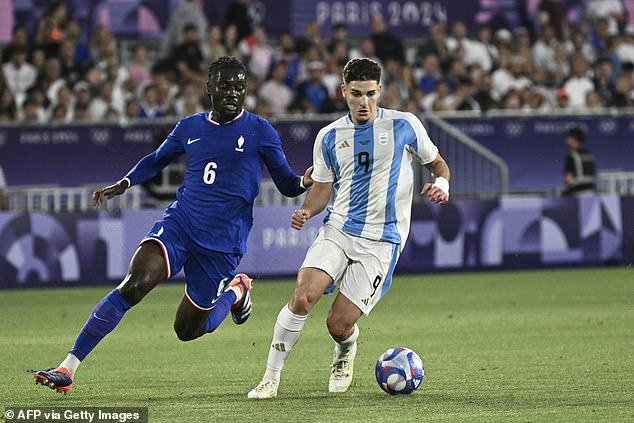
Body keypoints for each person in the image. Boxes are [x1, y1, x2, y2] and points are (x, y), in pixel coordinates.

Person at [33, 56, 314, 394]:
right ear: (209, 87)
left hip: (222, 245)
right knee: (134, 284)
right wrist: (124, 183)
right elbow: (156, 160)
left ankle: (237, 290)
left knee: (188, 329)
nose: (232, 92)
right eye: (225, 85)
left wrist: (304, 181)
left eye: (239, 86)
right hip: (180, 224)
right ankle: (69, 367)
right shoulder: (190, 127)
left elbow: (285, 183)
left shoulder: (260, 131)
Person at [248, 58, 450, 399]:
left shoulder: (405, 125)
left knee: (338, 324)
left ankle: (345, 351)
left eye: (370, 94)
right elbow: (322, 189)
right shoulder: (328, 136)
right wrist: (306, 211)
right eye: (356, 94)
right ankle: (270, 378)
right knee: (302, 296)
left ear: (380, 91)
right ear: (344, 92)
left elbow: (437, 163)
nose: (364, 102)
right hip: (339, 229)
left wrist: (442, 184)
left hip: (382, 241)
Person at [562, 126, 596, 196]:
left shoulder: (572, 156)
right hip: (592, 195)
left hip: (577, 196)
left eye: (568, 138)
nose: (566, 141)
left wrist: (564, 194)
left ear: (574, 139)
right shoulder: (590, 156)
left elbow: (568, 179)